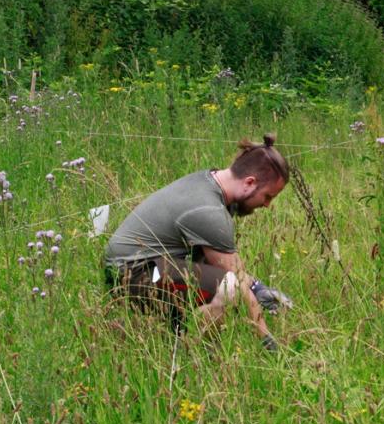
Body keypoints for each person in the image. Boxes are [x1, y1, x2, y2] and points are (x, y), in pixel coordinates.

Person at [104, 134, 292, 350]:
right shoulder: (209, 211)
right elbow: (236, 279)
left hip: (149, 265)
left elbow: (219, 265)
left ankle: (176, 335)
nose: (267, 205)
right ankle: (195, 352)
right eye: (268, 196)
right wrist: (269, 341)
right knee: (229, 288)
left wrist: (258, 288)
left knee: (217, 279)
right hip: (131, 274)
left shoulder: (210, 182)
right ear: (250, 183)